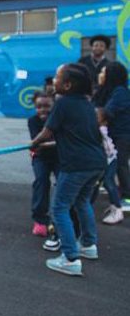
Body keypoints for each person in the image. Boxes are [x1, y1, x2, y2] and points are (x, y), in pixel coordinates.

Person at [31, 63, 105, 276]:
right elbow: (76, 138)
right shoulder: (87, 105)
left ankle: (70, 258)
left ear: (67, 84)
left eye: (57, 76)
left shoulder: (63, 104)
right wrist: (44, 145)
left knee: (59, 208)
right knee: (81, 202)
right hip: (96, 163)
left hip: (76, 165)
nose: (54, 80)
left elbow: (47, 132)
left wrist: (33, 144)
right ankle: (88, 245)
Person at [97, 62, 130, 214]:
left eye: (104, 72)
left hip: (122, 134)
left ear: (112, 76)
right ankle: (116, 190)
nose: (100, 75)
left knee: (121, 164)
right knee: (115, 165)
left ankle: (127, 197)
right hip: (114, 134)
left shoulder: (120, 92)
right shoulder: (108, 90)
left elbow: (108, 111)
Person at [27, 91, 56, 237]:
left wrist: (41, 143)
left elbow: (39, 142)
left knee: (63, 186)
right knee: (41, 182)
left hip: (59, 157)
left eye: (47, 106)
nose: (43, 109)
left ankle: (60, 218)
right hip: (41, 157)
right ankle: (40, 219)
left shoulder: (58, 118)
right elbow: (36, 142)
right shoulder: (33, 120)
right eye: (39, 106)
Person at [94, 108, 124, 224]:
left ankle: (117, 209)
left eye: (97, 116)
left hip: (109, 160)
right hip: (106, 160)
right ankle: (114, 206)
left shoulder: (100, 130)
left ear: (104, 121)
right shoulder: (99, 129)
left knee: (108, 182)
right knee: (100, 183)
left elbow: (107, 149)